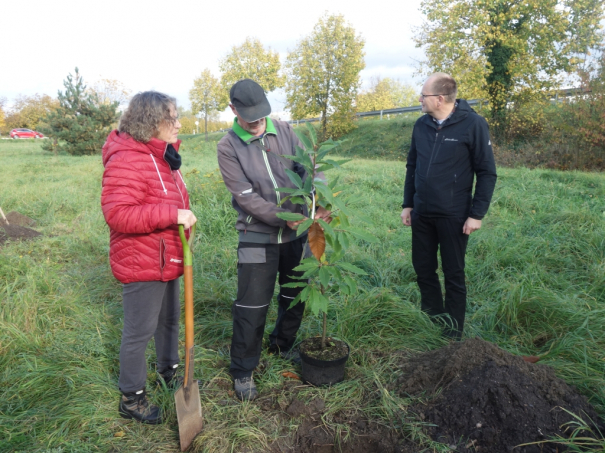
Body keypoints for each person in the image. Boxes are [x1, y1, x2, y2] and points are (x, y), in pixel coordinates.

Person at [217, 79, 331, 401]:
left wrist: (320, 199)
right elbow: (245, 197)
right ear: (233, 109)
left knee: (295, 296)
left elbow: (311, 167)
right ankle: (243, 369)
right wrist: (281, 216)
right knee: (252, 305)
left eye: (260, 116)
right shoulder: (228, 147)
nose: (255, 123)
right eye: (248, 117)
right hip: (257, 236)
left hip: (297, 234)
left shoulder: (284, 131)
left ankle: (281, 346)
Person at [101, 91, 197, 424]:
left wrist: (179, 222)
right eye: (172, 118)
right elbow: (118, 214)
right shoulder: (127, 157)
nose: (178, 124)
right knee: (139, 332)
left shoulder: (161, 156)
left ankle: (168, 370)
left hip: (168, 257)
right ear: (151, 121)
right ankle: (132, 398)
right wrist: (173, 215)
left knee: (169, 320)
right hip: (142, 262)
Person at [400, 73, 497, 340]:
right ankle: (432, 321)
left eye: (423, 96)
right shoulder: (421, 125)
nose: (419, 99)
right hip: (422, 213)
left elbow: (487, 172)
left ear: (440, 99)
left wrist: (476, 214)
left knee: (454, 273)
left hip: (454, 215)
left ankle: (453, 333)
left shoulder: (473, 124)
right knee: (423, 269)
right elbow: (412, 165)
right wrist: (408, 204)